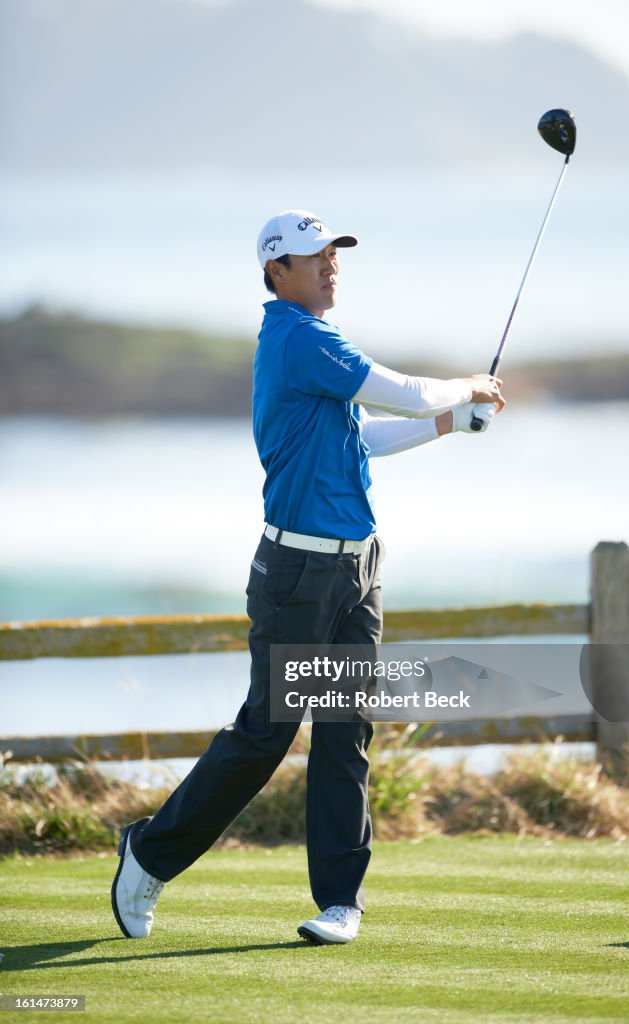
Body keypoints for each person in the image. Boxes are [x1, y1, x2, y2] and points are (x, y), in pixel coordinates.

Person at [111, 209, 504, 946]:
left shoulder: (314, 343)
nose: (329, 267)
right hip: (299, 571)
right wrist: (463, 389)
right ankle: (149, 853)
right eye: (312, 257)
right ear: (275, 272)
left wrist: (453, 424)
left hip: (358, 566)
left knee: (346, 731)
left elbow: (368, 435)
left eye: (333, 255)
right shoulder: (300, 338)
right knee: (267, 733)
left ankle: (339, 902)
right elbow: (403, 392)